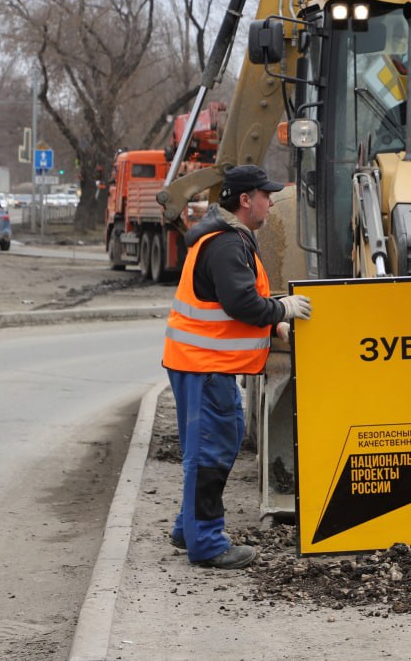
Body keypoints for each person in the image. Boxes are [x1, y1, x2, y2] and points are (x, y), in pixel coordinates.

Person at [162, 164, 313, 569]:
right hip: (205, 366)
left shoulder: (227, 238)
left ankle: (188, 527)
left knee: (216, 443)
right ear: (245, 200)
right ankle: (207, 543)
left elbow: (233, 305)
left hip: (203, 365)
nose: (270, 201)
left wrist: (273, 324)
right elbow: (241, 303)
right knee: (210, 450)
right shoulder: (228, 244)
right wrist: (282, 308)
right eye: (265, 195)